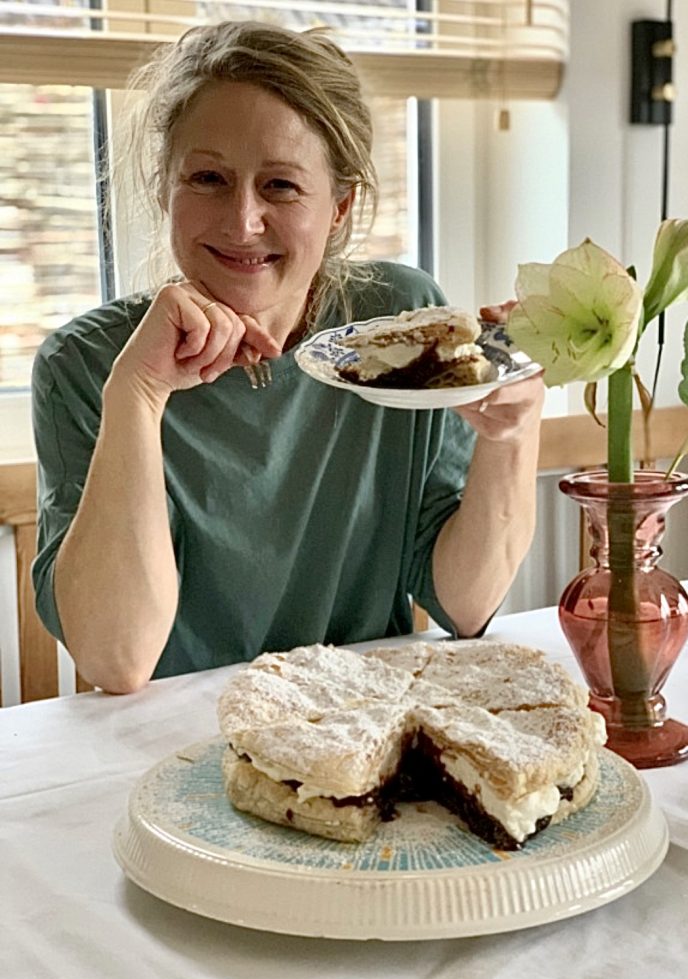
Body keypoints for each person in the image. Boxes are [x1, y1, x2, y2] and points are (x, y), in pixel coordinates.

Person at [31, 20, 544, 694]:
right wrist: (139, 392)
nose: (242, 220)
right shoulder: (87, 363)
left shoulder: (394, 325)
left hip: (359, 728)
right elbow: (117, 661)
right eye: (208, 177)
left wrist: (512, 432)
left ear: (339, 207)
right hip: (169, 744)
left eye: (280, 186)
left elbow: (467, 602)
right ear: (165, 190)